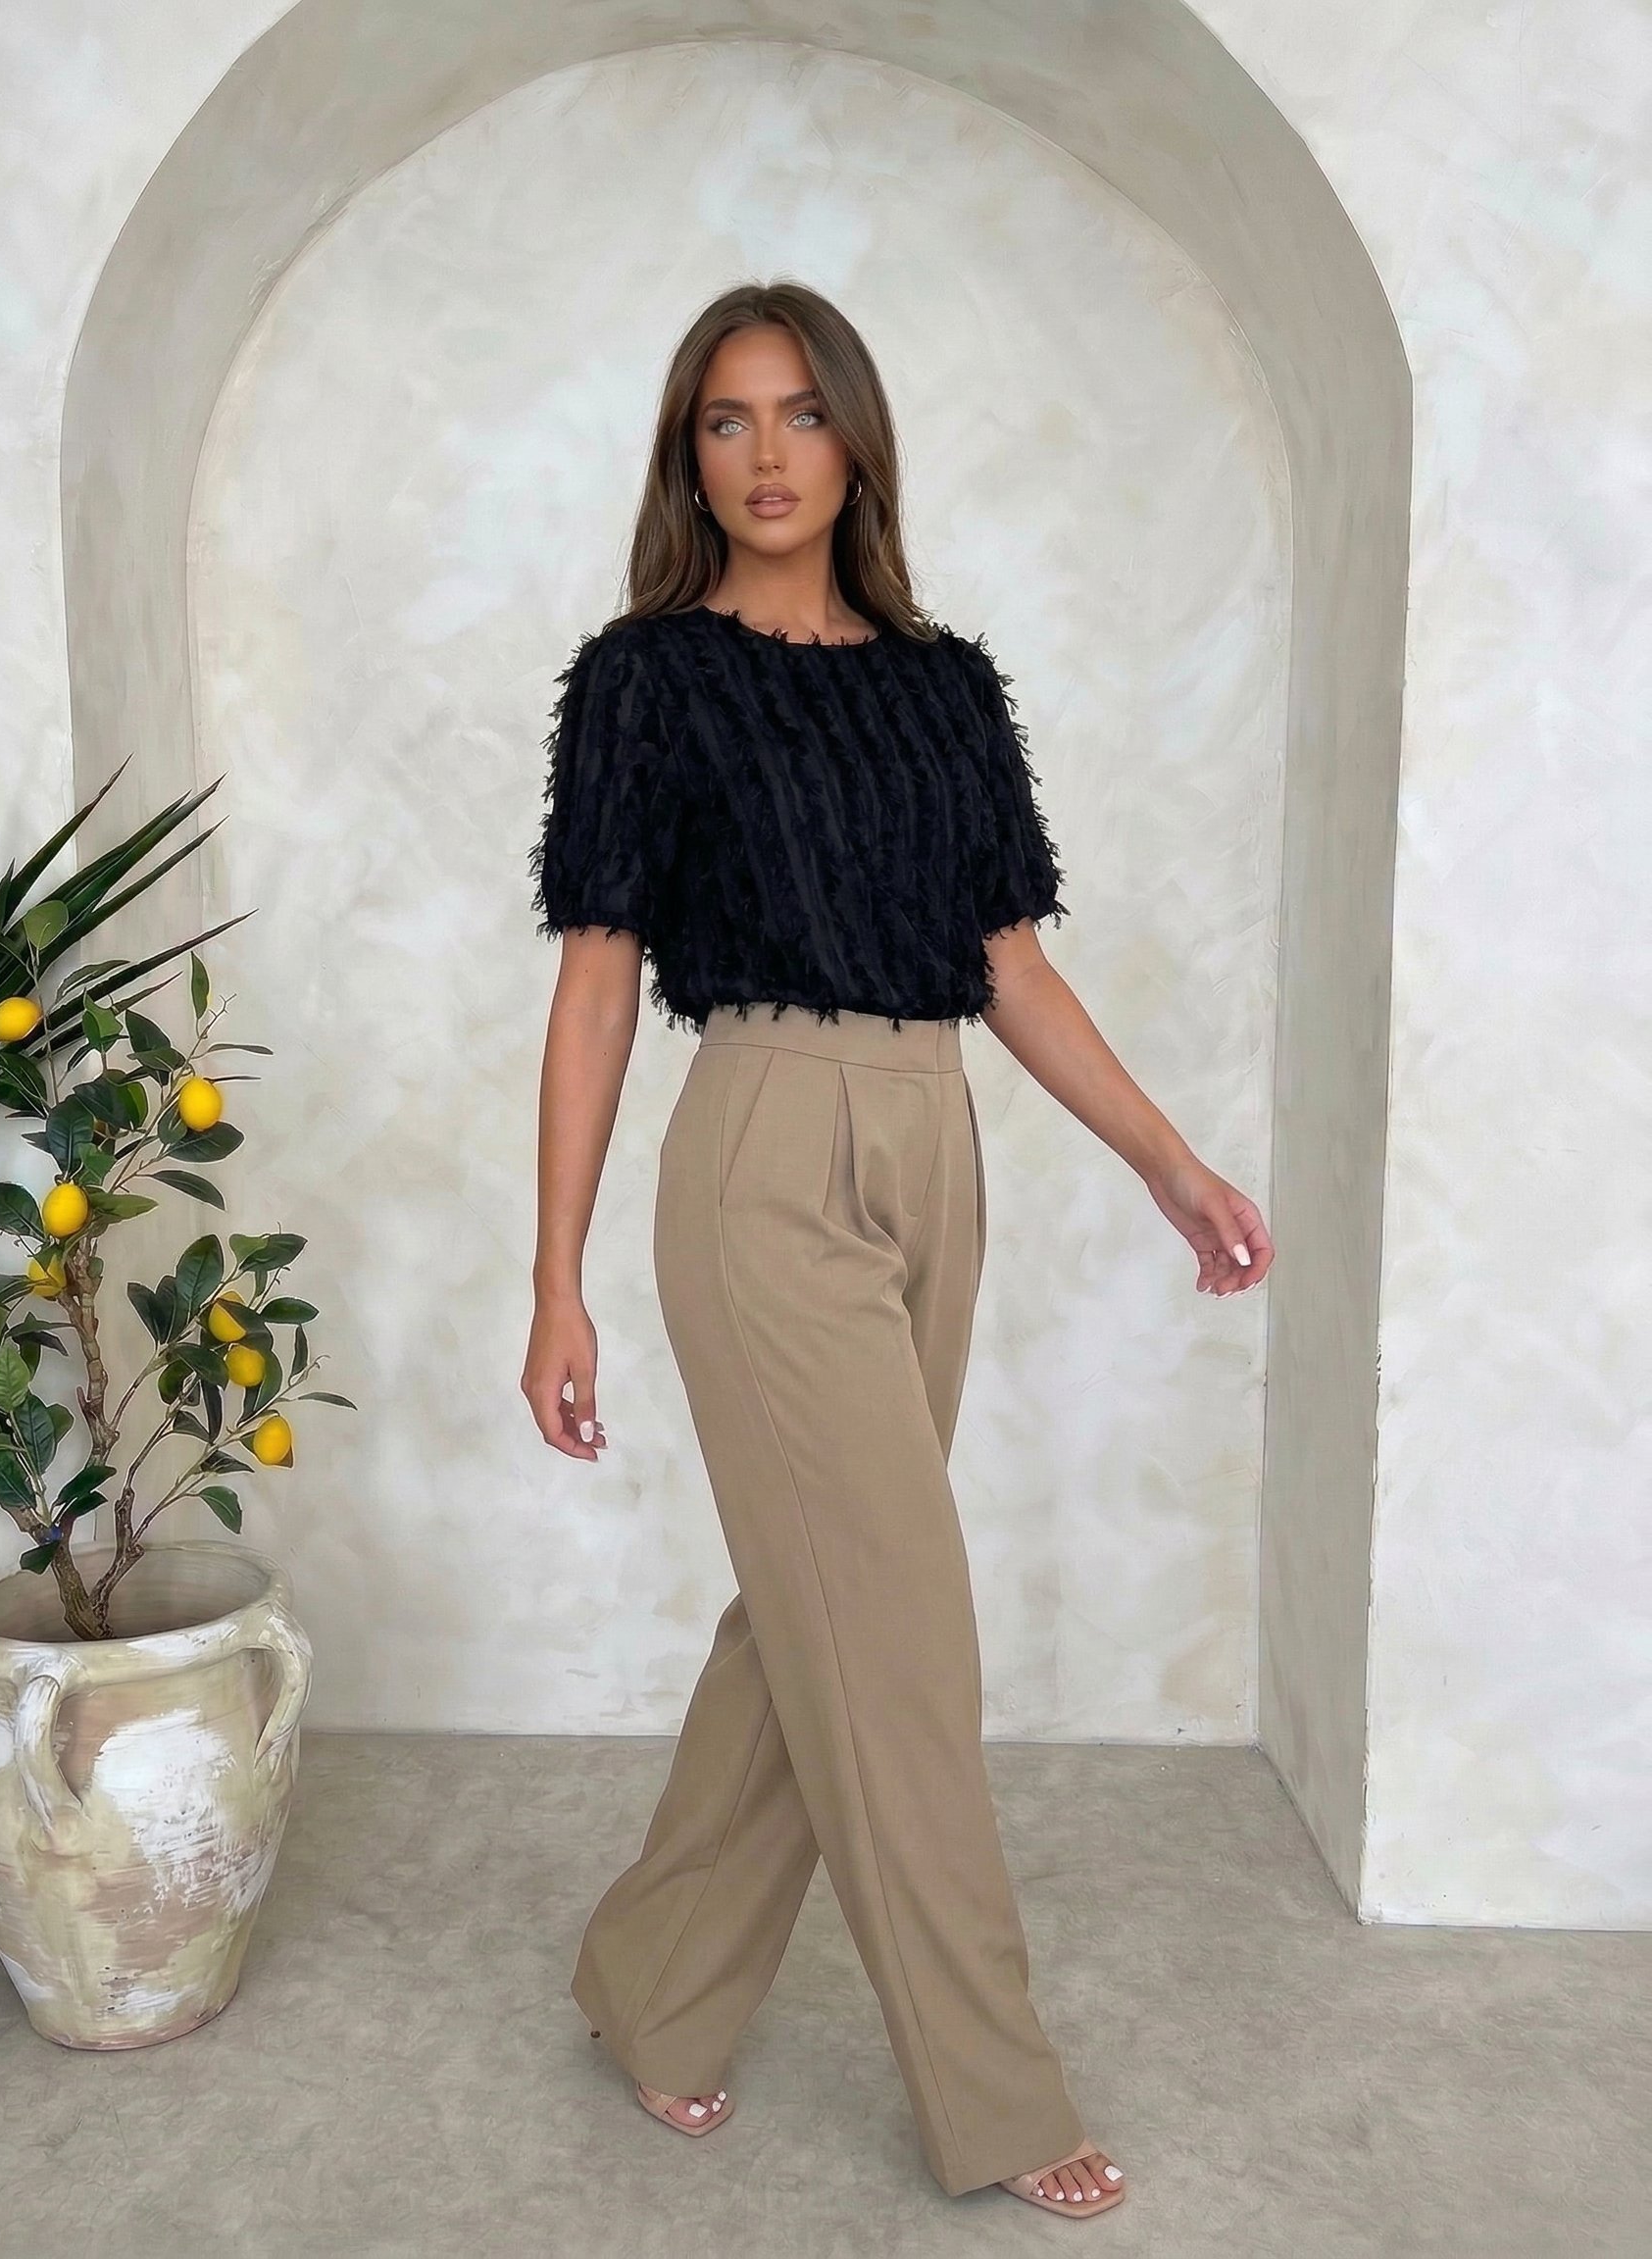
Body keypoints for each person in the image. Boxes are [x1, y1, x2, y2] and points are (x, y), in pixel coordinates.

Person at [523, 279, 1273, 2223]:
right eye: (725, 420)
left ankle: (652, 1984)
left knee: (818, 1618)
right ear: (687, 456)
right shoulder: (644, 679)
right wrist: (554, 1278)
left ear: (856, 441)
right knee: (901, 1635)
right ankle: (998, 2092)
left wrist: (1168, 1163)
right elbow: (597, 987)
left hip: (934, 1144)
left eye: (799, 413)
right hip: (760, 1146)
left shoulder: (944, 688)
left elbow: (1004, 964)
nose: (765, 454)